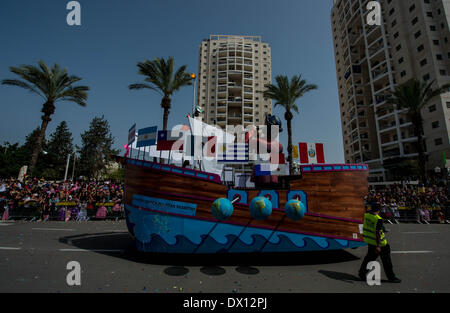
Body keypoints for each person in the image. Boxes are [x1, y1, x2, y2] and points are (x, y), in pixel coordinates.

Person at [358, 202, 401, 283]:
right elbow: (377, 233)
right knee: (387, 262)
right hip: (381, 244)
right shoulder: (378, 219)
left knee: (369, 259)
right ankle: (391, 277)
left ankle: (362, 273)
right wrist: (378, 246)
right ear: (379, 209)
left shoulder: (366, 215)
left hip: (370, 241)